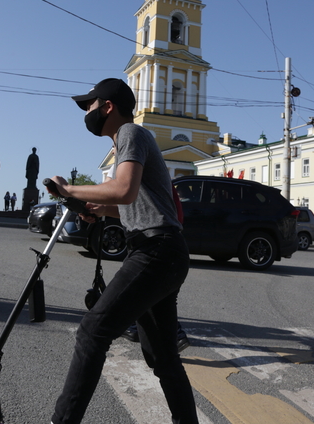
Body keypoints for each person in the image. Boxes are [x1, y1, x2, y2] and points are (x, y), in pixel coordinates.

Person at [48, 78, 198, 424]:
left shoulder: (130, 133)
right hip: (166, 251)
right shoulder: (127, 144)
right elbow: (136, 202)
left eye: (90, 105)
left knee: (92, 331)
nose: (88, 111)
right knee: (163, 356)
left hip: (156, 251)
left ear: (108, 106)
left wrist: (69, 187)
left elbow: (124, 190)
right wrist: (98, 209)